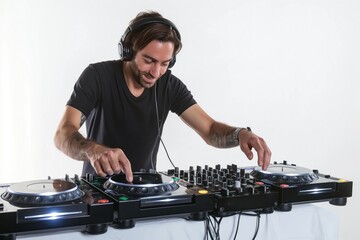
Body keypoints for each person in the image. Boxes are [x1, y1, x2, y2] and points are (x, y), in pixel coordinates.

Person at [54, 11, 271, 183]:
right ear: (128, 51)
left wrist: (240, 134)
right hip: (98, 191)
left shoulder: (169, 85)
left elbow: (210, 130)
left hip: (148, 190)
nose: (156, 72)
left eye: (165, 64)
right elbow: (63, 134)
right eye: (148, 61)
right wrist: (94, 150)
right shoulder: (97, 77)